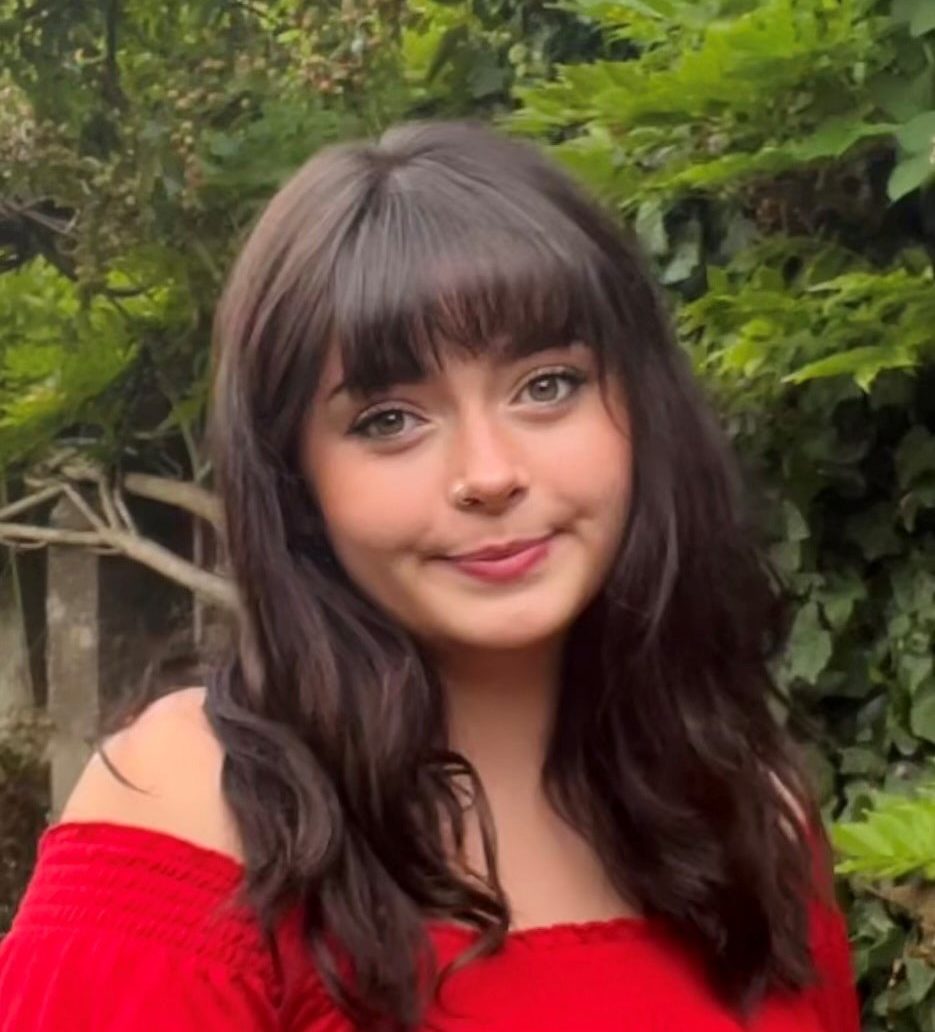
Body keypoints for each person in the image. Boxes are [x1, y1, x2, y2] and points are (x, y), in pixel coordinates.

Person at [0, 120, 860, 1032]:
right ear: (296, 482)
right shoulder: (192, 815)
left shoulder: (743, 806)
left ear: (643, 410)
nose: (488, 474)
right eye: (389, 420)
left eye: (547, 385)